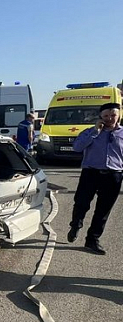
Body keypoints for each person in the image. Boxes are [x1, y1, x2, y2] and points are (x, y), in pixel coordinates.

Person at [67, 102, 123, 254]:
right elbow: (77, 147)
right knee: (81, 203)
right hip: (91, 173)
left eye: (113, 115)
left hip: (113, 175)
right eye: (106, 116)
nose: (110, 119)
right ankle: (76, 225)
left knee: (103, 210)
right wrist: (94, 132)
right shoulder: (90, 132)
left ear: (119, 115)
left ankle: (92, 240)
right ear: (100, 117)